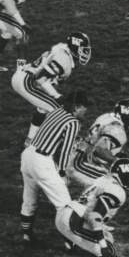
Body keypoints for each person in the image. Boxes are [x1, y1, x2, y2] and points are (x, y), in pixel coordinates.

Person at [18, 90, 89, 245]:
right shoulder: (73, 122)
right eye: (84, 107)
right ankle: (70, 243)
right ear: (76, 107)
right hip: (41, 161)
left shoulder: (56, 111)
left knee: (29, 199)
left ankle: (26, 235)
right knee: (65, 205)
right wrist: (63, 172)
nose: (86, 111)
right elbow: (65, 150)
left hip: (28, 155)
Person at [11, 32, 92, 144]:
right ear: (75, 47)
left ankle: (30, 140)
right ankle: (58, 142)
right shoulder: (64, 59)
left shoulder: (62, 51)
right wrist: (58, 96)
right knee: (59, 110)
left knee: (43, 107)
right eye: (83, 49)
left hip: (23, 77)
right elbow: (41, 79)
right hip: (26, 82)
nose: (86, 52)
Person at [69, 99, 129, 190]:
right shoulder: (118, 130)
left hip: (77, 152)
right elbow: (99, 150)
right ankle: (83, 203)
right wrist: (117, 161)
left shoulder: (106, 117)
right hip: (79, 162)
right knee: (113, 187)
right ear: (126, 113)